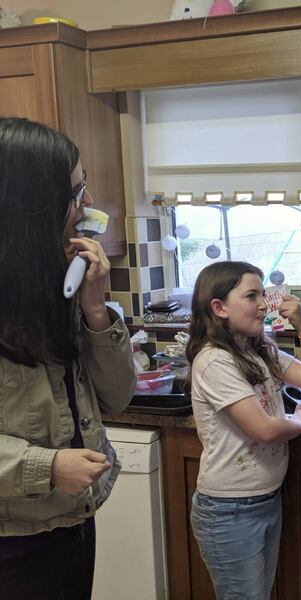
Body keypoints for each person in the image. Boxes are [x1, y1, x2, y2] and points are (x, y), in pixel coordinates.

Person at [0, 117, 136, 598]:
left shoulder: (57, 285)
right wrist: (48, 466)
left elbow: (118, 396)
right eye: (77, 191)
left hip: (72, 522)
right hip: (12, 547)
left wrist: (96, 308)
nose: (90, 204)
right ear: (28, 207)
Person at [185, 261, 301, 600]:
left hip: (264, 500)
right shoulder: (215, 360)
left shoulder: (257, 349)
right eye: (252, 296)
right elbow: (263, 429)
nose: (264, 304)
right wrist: (300, 421)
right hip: (229, 509)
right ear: (219, 307)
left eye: (263, 294)